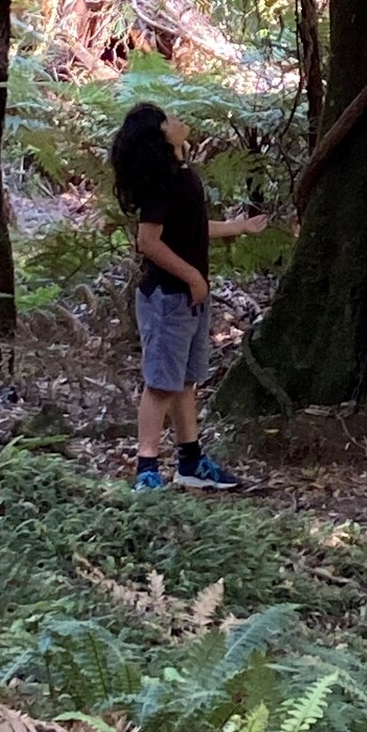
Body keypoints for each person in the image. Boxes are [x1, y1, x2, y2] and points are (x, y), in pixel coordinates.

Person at [111, 101, 268, 492]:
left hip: (188, 298)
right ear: (159, 136)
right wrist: (192, 276)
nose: (178, 122)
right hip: (167, 297)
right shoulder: (162, 181)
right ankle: (146, 469)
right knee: (161, 383)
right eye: (167, 121)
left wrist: (240, 227)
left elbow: (195, 226)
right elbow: (148, 241)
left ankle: (191, 460)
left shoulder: (181, 175)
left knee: (184, 382)